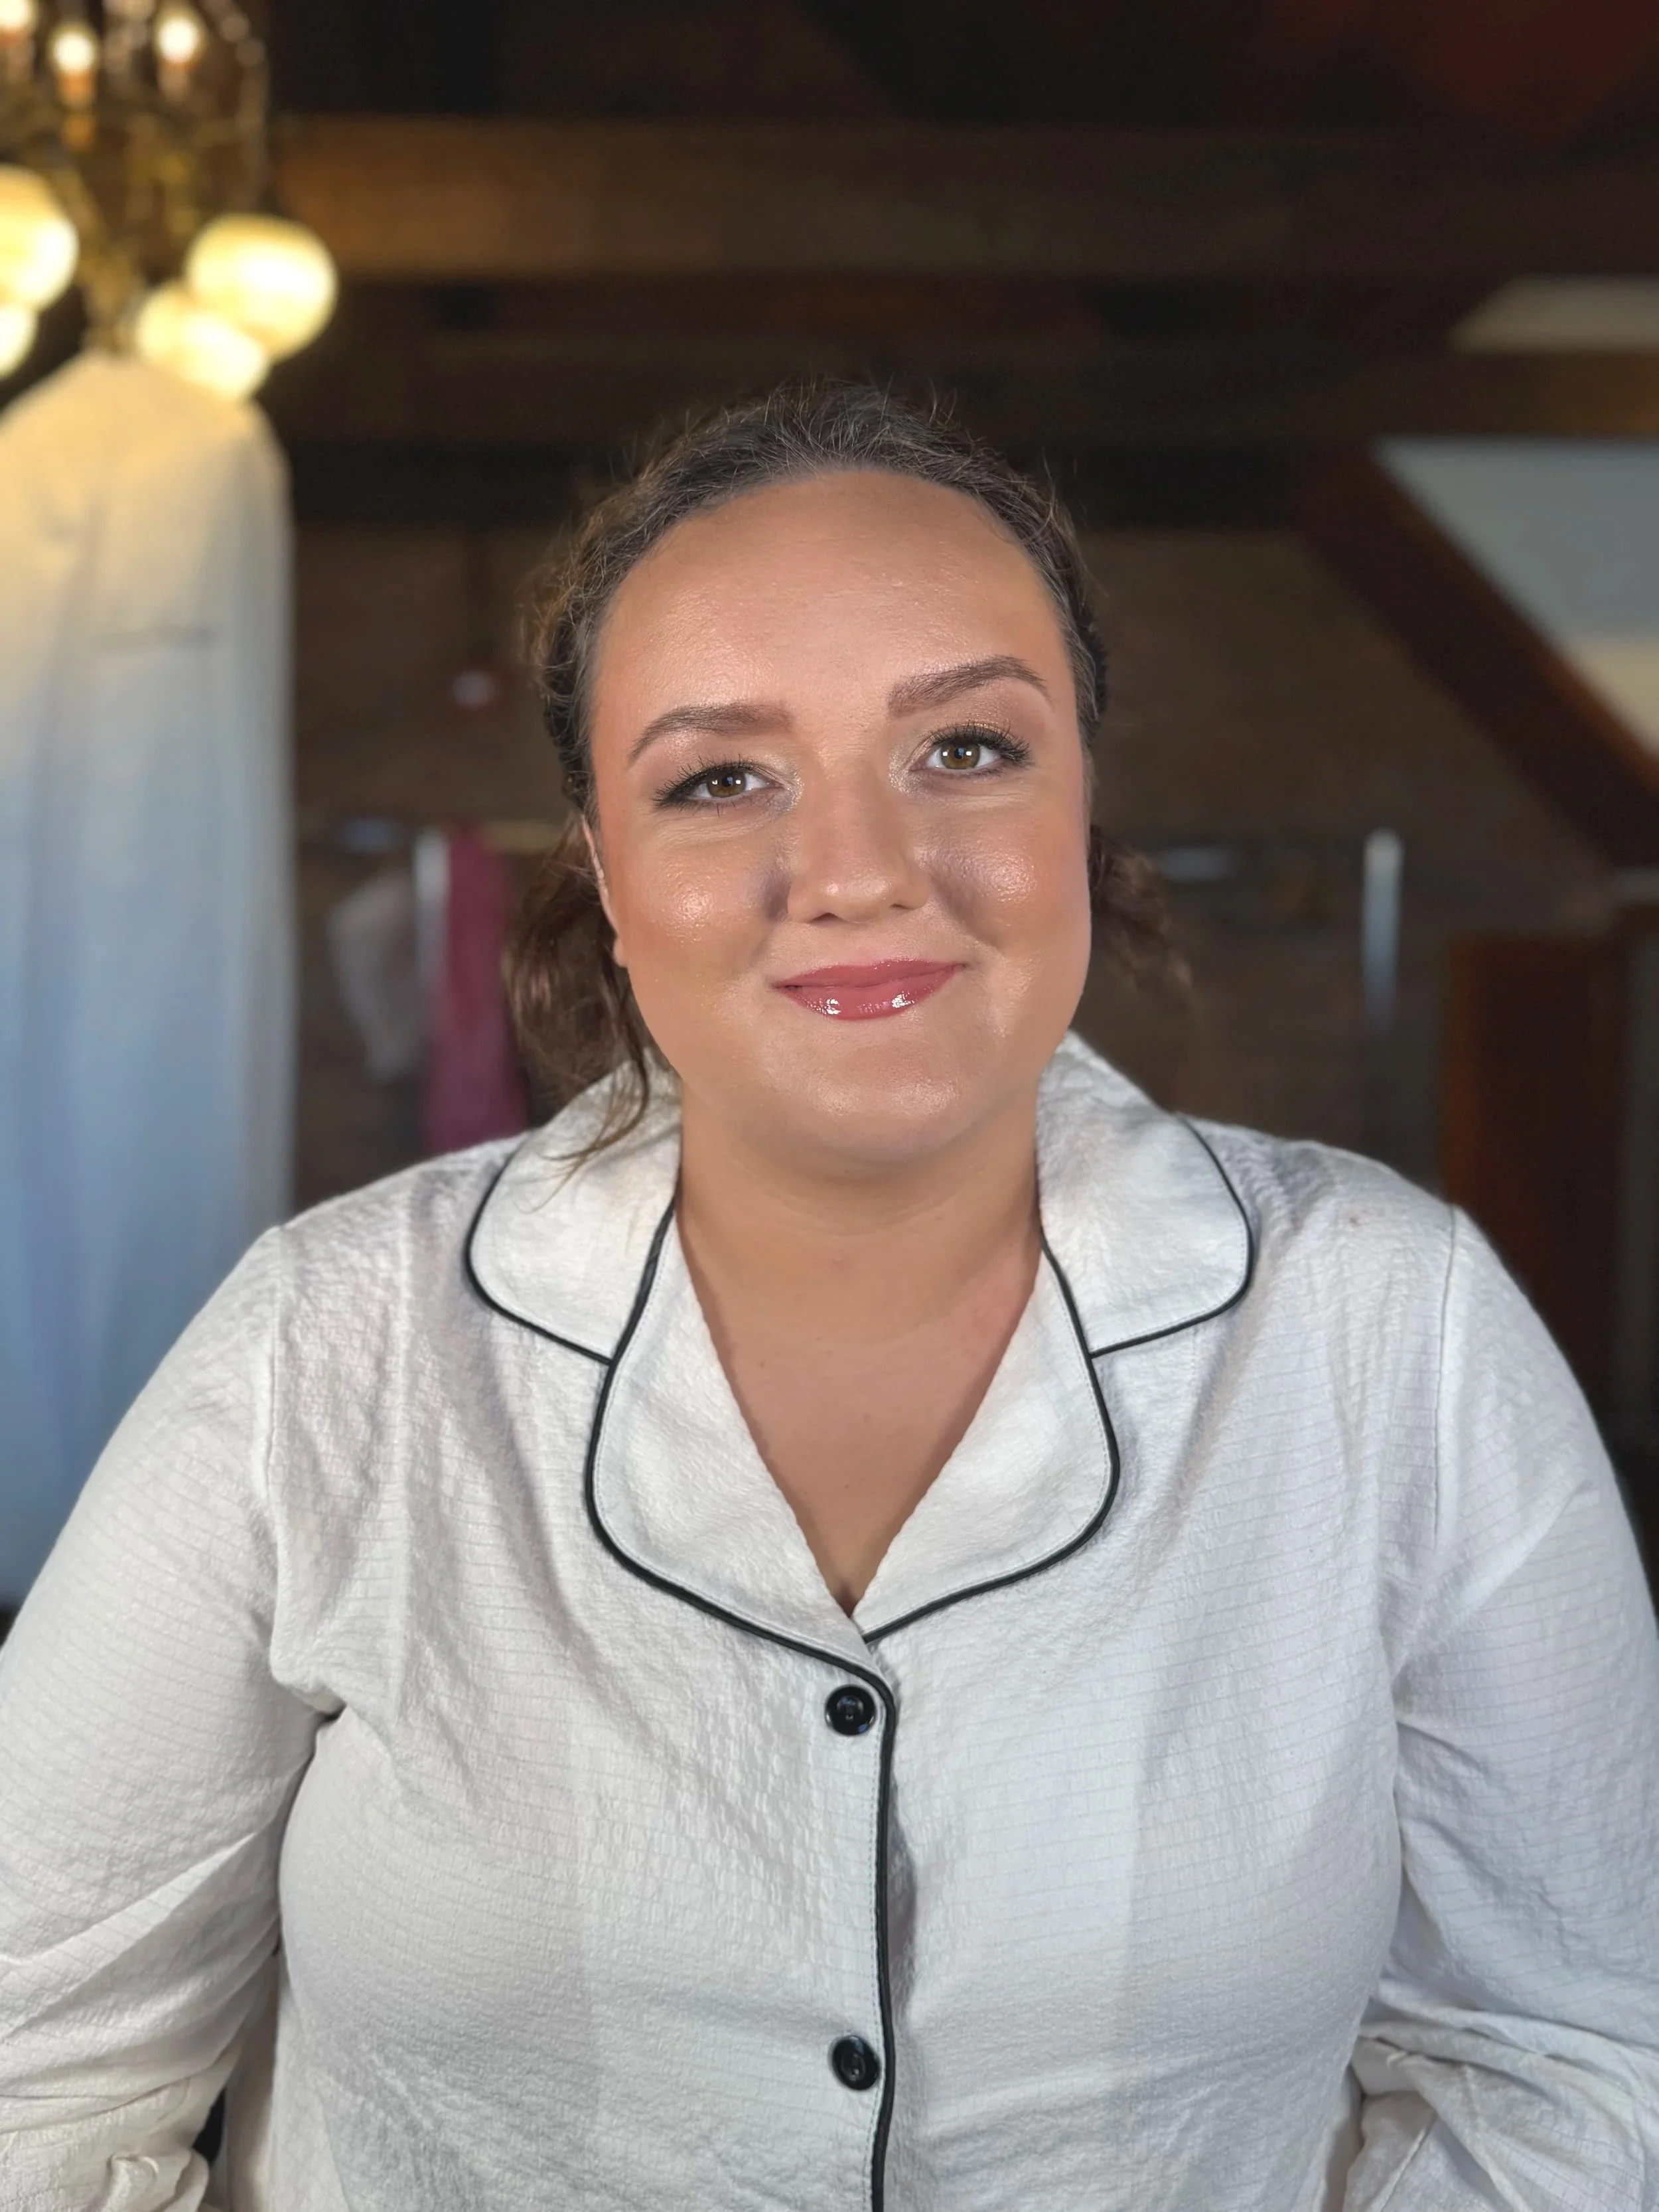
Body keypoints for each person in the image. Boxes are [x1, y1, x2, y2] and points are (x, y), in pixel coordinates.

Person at [1, 383, 1656, 2212]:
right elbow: (31, 2075)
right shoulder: (327, 1344)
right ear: (607, 876)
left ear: (1084, 796)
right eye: (720, 776)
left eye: (964, 748)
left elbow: (1567, 2052)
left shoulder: (1390, 1331)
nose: (862, 869)